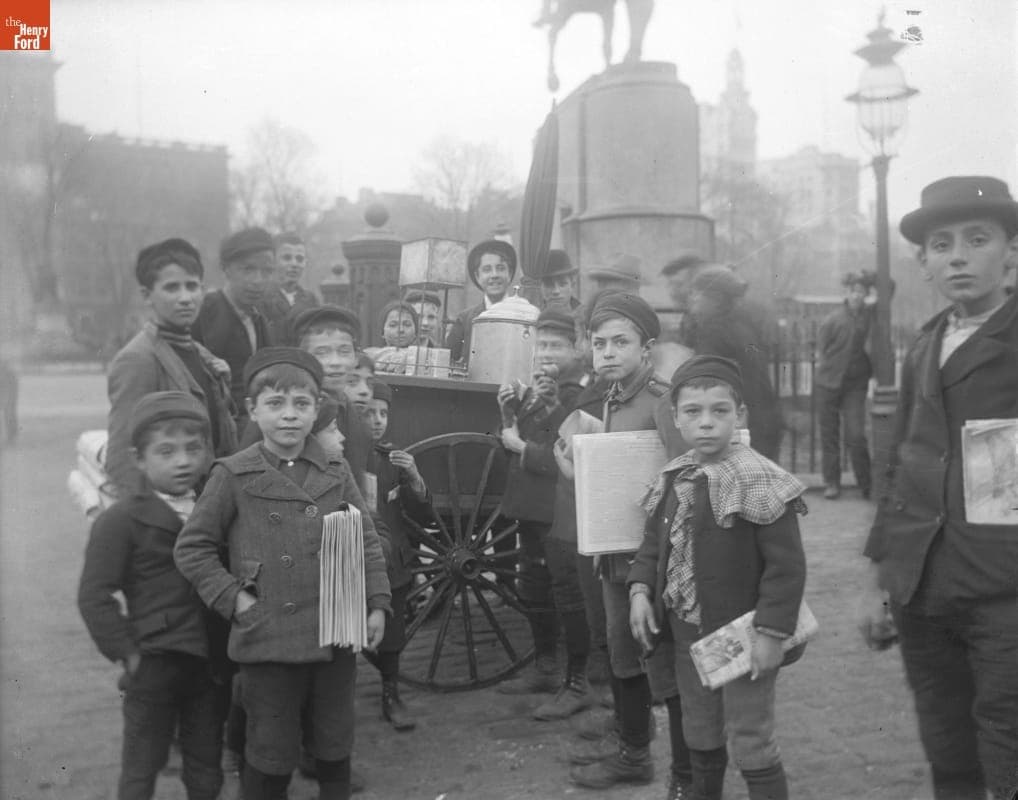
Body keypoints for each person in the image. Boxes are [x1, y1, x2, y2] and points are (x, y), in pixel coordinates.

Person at [858, 176, 1018, 800]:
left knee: (1007, 748)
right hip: (923, 589)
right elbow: (897, 467)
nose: (957, 256)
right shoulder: (924, 343)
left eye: (978, 239)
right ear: (922, 263)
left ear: (1009, 252)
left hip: (1003, 590)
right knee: (947, 750)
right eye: (941, 244)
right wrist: (878, 580)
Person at [174, 347, 391, 800]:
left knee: (334, 745)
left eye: (301, 405)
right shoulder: (233, 474)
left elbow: (367, 539)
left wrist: (378, 603)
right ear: (253, 410)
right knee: (270, 754)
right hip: (268, 638)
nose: (289, 417)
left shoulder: (335, 468)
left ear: (317, 412)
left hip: (335, 633)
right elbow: (192, 548)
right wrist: (235, 599)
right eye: (275, 405)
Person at [629, 355, 807, 800]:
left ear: (739, 415)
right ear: (676, 418)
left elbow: (787, 567)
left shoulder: (759, 479)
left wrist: (771, 633)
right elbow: (652, 543)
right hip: (687, 631)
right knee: (700, 729)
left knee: (751, 736)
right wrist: (638, 590)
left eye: (719, 411)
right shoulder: (675, 476)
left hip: (742, 635)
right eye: (692, 412)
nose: (705, 423)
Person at [563, 292, 691, 794]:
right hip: (616, 555)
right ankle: (633, 753)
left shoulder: (661, 401)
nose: (609, 352)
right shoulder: (611, 397)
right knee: (621, 649)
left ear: (647, 347)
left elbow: (686, 476)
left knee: (664, 661)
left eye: (621, 342)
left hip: (655, 559)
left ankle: (684, 775)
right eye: (599, 343)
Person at [78, 391, 229, 800]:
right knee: (142, 765)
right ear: (139, 459)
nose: (182, 461)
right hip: (154, 661)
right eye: (165, 451)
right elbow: (94, 595)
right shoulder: (121, 520)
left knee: (206, 764)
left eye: (193, 449)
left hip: (209, 665)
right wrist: (128, 652)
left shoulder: (216, 508)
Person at [495, 308, 593, 721]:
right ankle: (546, 666)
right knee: (533, 585)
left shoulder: (580, 396)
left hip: (559, 511)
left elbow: (564, 459)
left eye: (556, 344)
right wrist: (508, 415)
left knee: (565, 590)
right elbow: (509, 439)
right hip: (530, 508)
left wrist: (520, 446)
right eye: (540, 345)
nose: (546, 353)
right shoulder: (534, 389)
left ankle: (578, 679)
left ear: (575, 349)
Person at [106, 238, 237, 497]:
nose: (185, 298)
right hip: (171, 515)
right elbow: (122, 457)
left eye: (192, 286)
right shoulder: (138, 359)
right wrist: (150, 526)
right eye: (171, 288)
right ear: (147, 295)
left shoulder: (201, 355)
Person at [360, 380, 435, 731]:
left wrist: (414, 477)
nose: (377, 421)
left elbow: (421, 518)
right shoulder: (346, 457)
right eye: (368, 412)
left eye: (383, 413)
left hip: (390, 559)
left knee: (392, 631)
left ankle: (391, 693)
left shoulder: (391, 458)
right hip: (353, 555)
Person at [684, 266, 784, 460]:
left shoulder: (713, 331)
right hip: (763, 418)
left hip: (742, 424)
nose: (692, 298)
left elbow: (707, 383)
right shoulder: (741, 324)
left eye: (698, 293)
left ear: (715, 299)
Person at [192, 228, 275, 424]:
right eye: (248, 269)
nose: (258, 280)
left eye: (267, 271)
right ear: (226, 268)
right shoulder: (204, 312)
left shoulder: (258, 317)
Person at [815, 271, 876, 499]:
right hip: (827, 384)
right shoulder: (833, 319)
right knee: (829, 435)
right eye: (853, 291)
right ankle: (832, 483)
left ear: (866, 295)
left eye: (861, 292)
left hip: (855, 385)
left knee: (856, 435)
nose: (857, 296)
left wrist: (869, 276)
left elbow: (889, 289)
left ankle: (867, 484)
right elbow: (822, 348)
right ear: (847, 293)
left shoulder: (870, 315)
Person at [446, 239, 517, 362]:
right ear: (477, 276)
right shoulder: (465, 320)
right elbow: (448, 361)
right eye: (487, 269)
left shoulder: (522, 315)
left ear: (509, 274)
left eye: (500, 268)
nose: (494, 275)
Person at [259, 232, 319, 345]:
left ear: (305, 263)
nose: (294, 264)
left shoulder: (311, 301)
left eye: (299, 259)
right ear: (273, 261)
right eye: (287, 258)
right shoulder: (259, 297)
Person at [365, 301, 420, 375]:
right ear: (382, 332)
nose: (401, 330)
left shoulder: (425, 359)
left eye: (407, 324)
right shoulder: (368, 356)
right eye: (393, 325)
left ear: (416, 332)